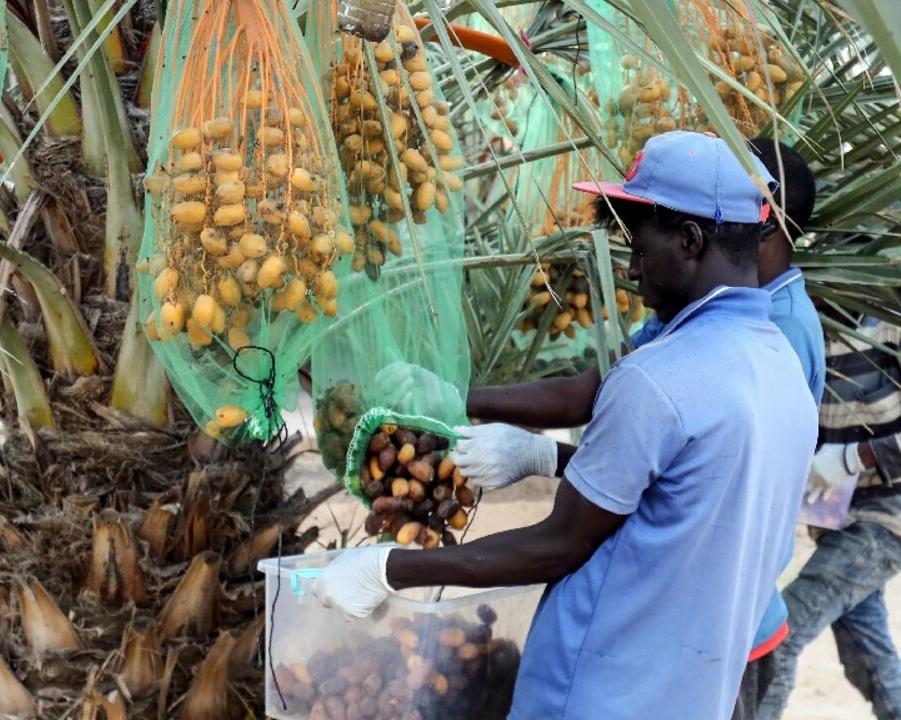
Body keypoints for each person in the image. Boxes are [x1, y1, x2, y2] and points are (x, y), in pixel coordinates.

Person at [313, 131, 819, 720]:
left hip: (597, 694)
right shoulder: (780, 362)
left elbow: (556, 544)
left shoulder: (661, 380)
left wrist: (388, 569)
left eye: (638, 247)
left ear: (689, 240)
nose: (629, 268)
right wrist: (460, 397)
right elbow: (660, 467)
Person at [756, 312, 901, 719]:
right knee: (869, 658)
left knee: (778, 640)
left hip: (887, 519)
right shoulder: (809, 329)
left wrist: (855, 457)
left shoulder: (890, 324)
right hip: (837, 520)